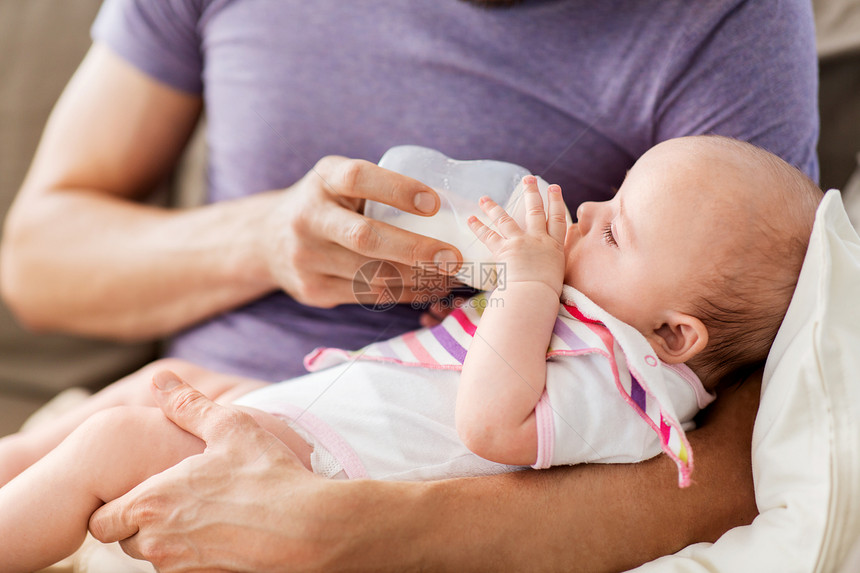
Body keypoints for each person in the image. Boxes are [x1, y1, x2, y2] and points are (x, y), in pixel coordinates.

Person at [0, 0, 819, 570]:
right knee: (142, 395)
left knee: (116, 439)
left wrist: (350, 531)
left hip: (348, 465)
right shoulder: (583, 317)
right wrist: (260, 240)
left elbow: (761, 438)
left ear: (677, 337)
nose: (588, 207)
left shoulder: (631, 369)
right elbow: (34, 263)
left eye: (613, 226)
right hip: (306, 395)